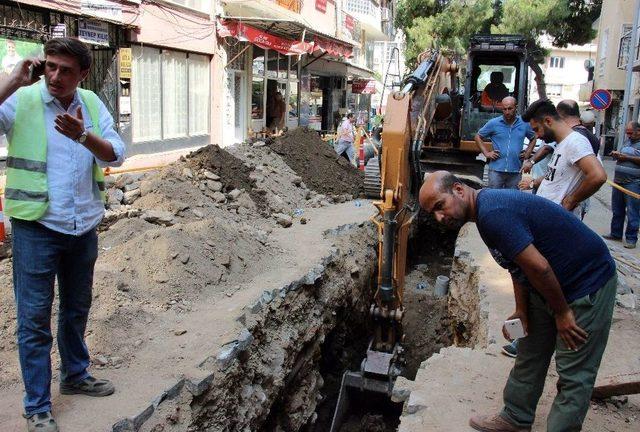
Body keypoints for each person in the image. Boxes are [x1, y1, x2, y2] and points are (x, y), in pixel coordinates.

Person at [420, 171, 617, 432]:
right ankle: (515, 417)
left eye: (439, 206)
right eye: (433, 213)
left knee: (574, 374)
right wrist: (522, 310)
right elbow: (517, 265)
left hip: (585, 283)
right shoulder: (483, 214)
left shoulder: (493, 213)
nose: (439, 217)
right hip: (547, 285)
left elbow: (540, 268)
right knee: (529, 351)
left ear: (458, 189)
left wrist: (562, 313)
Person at [0, 38, 125, 432]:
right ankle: (37, 404)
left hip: (83, 225)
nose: (55, 76)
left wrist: (83, 136)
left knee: (75, 309)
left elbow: (116, 153)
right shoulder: (22, 99)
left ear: (82, 74)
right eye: (50, 66)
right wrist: (10, 81)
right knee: (34, 320)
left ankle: (75, 375)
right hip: (36, 227)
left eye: (65, 70)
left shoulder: (90, 103)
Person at [517, 99, 606, 218]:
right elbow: (557, 174)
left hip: (558, 220)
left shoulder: (575, 141)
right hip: (547, 216)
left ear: (548, 121)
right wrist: (533, 183)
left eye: (537, 129)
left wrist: (571, 200)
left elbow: (598, 176)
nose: (537, 136)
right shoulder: (562, 143)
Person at [475, 96, 536, 189]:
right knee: (494, 198)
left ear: (516, 107)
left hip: (515, 171)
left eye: (510, 108)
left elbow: (534, 137)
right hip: (496, 171)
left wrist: (528, 152)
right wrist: (487, 153)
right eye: (504, 109)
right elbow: (478, 136)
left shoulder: (524, 124)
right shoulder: (493, 123)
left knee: (511, 199)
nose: (507, 112)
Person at [604, 121, 640, 249]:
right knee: (617, 209)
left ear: (638, 131)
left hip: (634, 183)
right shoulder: (627, 142)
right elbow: (622, 155)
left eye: (630, 133)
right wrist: (617, 155)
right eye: (627, 133)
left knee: (633, 212)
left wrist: (626, 157)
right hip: (619, 181)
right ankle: (616, 233)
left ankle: (631, 238)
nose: (628, 135)